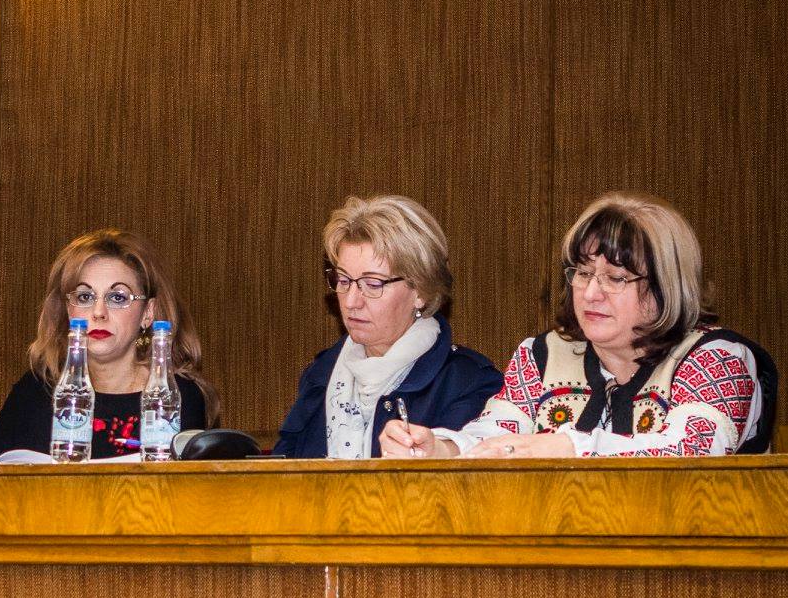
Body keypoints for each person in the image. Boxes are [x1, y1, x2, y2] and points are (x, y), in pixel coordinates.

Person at [382, 192, 777, 458]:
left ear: (666, 286)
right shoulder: (542, 356)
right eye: (583, 273)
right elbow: (497, 435)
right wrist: (443, 447)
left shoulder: (717, 359)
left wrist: (569, 447)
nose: (591, 293)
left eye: (616, 278)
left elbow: (693, 451)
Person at [0, 229, 214, 464]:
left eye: (118, 297)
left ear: (148, 313)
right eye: (85, 296)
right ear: (67, 310)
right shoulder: (39, 389)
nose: (98, 312)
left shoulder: (177, 395)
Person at [275, 196, 502, 459]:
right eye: (343, 280)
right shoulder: (321, 373)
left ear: (420, 290)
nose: (351, 301)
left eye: (373, 284)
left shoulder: (467, 382)